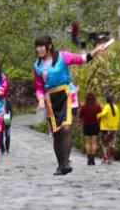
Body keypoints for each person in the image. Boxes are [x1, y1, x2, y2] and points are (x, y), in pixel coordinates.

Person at [34, 34, 110, 175]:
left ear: (49, 46)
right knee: (57, 134)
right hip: (50, 98)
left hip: (66, 94)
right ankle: (61, 165)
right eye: (37, 47)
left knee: (67, 128)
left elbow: (81, 59)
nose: (39, 49)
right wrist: (40, 99)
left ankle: (66, 162)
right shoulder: (37, 66)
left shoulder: (63, 56)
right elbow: (38, 86)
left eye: (41, 46)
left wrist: (95, 51)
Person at [97, 93, 120, 165]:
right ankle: (110, 159)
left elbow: (103, 114)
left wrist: (97, 116)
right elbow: (118, 119)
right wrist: (118, 127)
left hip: (105, 128)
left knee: (105, 144)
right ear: (113, 100)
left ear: (106, 100)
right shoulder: (116, 107)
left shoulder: (106, 107)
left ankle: (105, 159)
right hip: (114, 128)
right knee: (111, 144)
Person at [79, 92, 102, 165]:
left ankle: (89, 159)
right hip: (95, 125)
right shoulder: (97, 107)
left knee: (88, 142)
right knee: (94, 142)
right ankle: (93, 159)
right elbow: (100, 116)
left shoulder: (84, 107)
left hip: (86, 125)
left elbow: (80, 116)